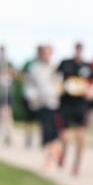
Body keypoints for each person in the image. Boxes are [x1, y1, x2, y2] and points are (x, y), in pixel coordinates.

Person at [56, 41, 93, 176]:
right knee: (65, 136)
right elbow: (55, 78)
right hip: (66, 103)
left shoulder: (87, 66)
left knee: (81, 136)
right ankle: (63, 153)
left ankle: (76, 164)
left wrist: (90, 91)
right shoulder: (65, 63)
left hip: (81, 105)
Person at [25, 44, 64, 172]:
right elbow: (29, 87)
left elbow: (61, 84)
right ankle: (53, 154)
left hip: (56, 104)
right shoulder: (34, 69)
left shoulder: (56, 68)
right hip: (42, 105)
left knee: (55, 134)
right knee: (46, 135)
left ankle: (51, 158)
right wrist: (32, 98)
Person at [0, 45, 15, 146]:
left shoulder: (9, 63)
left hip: (8, 92)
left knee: (7, 113)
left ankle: (8, 134)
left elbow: (15, 75)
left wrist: (9, 73)